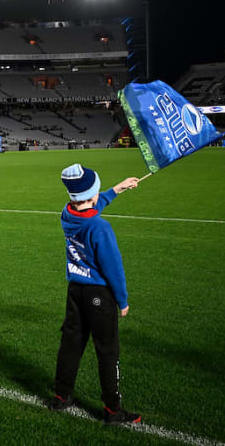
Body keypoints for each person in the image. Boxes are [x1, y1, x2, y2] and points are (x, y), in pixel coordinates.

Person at [49, 164, 142, 425]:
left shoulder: (67, 214)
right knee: (107, 350)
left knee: (71, 344)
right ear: (92, 192)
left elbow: (91, 206)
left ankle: (61, 396)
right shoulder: (100, 228)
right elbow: (113, 268)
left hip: (75, 291)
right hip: (99, 295)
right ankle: (113, 410)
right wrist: (122, 300)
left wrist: (117, 189)